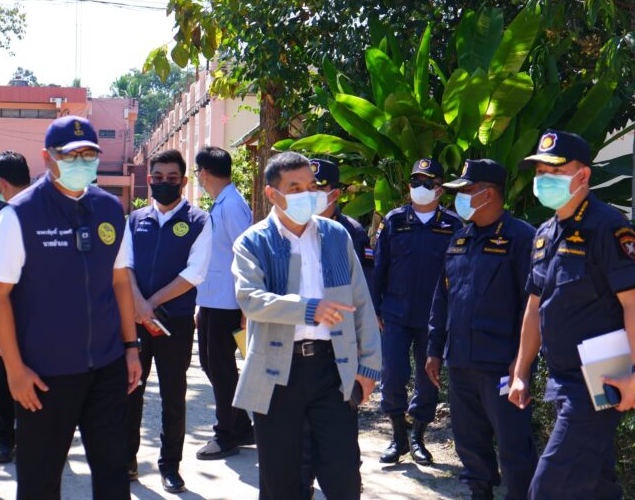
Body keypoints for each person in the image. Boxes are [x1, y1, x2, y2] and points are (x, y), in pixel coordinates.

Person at [0, 115, 142, 500]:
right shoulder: (19, 214)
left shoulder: (109, 209)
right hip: (44, 374)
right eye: (70, 155)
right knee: (39, 481)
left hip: (106, 367)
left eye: (89, 154)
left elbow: (120, 282)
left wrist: (130, 347)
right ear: (47, 157)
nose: (80, 162)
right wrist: (14, 369)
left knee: (113, 473)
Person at [231, 151, 382, 500]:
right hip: (276, 374)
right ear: (272, 194)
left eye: (311, 187)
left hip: (332, 369)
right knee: (281, 481)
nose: (306, 194)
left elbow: (361, 301)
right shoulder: (253, 241)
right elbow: (251, 300)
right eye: (295, 188)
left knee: (343, 476)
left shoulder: (335, 235)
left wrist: (369, 368)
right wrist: (309, 309)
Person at [509, 130, 635, 499]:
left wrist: (632, 374)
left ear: (583, 175)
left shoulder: (608, 226)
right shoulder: (544, 234)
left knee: (548, 488)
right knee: (595, 484)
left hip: (600, 376)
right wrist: (521, 372)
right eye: (540, 171)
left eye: (555, 170)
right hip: (561, 378)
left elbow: (632, 303)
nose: (544, 178)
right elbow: (535, 306)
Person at [425, 159, 538, 500]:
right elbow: (442, 298)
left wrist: (522, 362)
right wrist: (434, 349)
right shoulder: (459, 239)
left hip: (501, 364)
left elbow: (532, 307)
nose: (459, 198)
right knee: (468, 439)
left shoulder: (522, 239)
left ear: (488, 194)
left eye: (467, 191)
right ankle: (480, 491)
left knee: (513, 444)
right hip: (460, 360)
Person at [124, 148, 212, 493]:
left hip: (174, 322)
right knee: (130, 389)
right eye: (158, 177)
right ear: (149, 180)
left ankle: (170, 466)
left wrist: (151, 304)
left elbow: (194, 273)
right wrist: (138, 305)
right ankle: (127, 460)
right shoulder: (135, 220)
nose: (164, 183)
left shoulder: (199, 221)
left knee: (174, 395)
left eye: (172, 178)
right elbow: (125, 265)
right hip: (134, 320)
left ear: (183, 181)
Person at [373, 158, 462, 465]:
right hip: (395, 312)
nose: (420, 188)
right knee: (392, 375)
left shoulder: (453, 225)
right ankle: (398, 435)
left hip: (433, 318)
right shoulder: (394, 220)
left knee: (428, 379)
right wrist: (375, 308)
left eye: (427, 183)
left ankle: (418, 438)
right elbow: (379, 267)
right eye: (415, 182)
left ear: (440, 189)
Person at [193, 146, 254, 460]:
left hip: (229, 302)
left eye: (197, 172)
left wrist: (246, 308)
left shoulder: (232, 206)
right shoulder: (223, 203)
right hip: (213, 300)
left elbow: (247, 256)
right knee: (211, 363)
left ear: (204, 172)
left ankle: (226, 433)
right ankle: (241, 425)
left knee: (221, 367)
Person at [0, 150, 31, 464]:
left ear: (0, 183)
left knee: (4, 379)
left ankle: (4, 440)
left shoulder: (7, 215)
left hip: (12, 310)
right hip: (40, 315)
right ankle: (27, 437)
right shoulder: (48, 209)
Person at [311, 159, 373, 284]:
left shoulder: (352, 231)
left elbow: (365, 281)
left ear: (335, 194)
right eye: (308, 188)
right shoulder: (295, 227)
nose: (310, 194)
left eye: (318, 188)